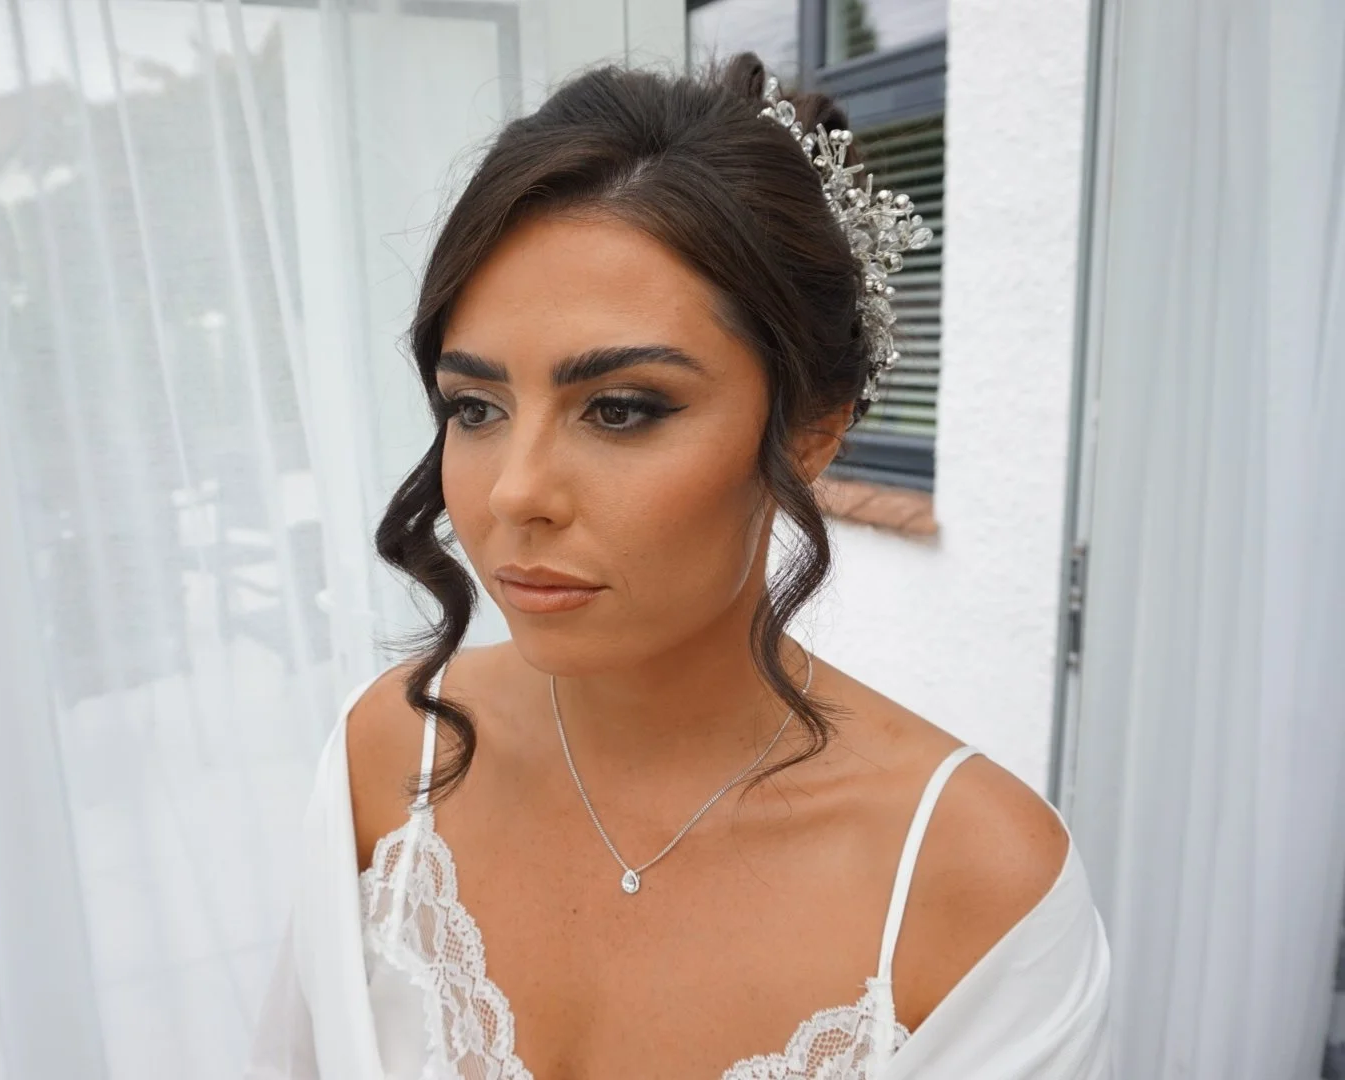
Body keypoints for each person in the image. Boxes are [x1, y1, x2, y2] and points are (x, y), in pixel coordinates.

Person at [247, 52, 1111, 1080]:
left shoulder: (972, 887)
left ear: (808, 433)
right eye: (474, 409)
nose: (514, 492)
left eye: (618, 409)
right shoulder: (386, 755)